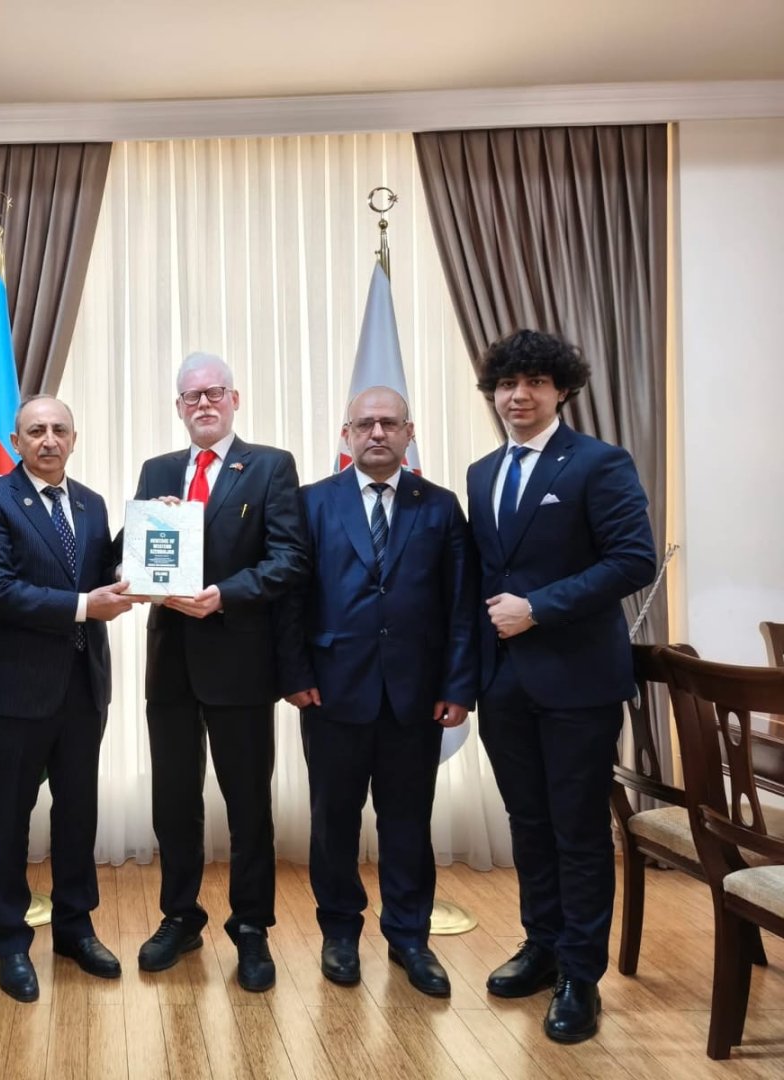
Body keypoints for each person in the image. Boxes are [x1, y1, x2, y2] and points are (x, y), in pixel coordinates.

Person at [466, 330, 655, 1043]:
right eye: (507, 384)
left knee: (578, 830)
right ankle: (542, 944)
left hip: (579, 682)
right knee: (528, 824)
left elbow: (633, 559)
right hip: (503, 684)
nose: (519, 396)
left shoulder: (599, 463)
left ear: (562, 390)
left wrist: (539, 607)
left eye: (535, 383)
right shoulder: (482, 472)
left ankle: (581, 974)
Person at [277, 386, 477, 998]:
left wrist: (457, 685)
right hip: (331, 692)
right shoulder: (312, 502)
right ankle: (339, 932)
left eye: (389, 423)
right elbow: (291, 599)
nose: (377, 433)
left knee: (408, 821)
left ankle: (410, 936)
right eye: (364, 424)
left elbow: (461, 605)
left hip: (416, 696)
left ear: (409, 433)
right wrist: (295, 675)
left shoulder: (439, 506)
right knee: (333, 820)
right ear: (347, 435)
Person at [128, 351, 307, 992]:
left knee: (248, 804)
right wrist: (145, 540)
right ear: (178, 407)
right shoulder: (157, 470)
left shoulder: (270, 466)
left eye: (214, 392)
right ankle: (180, 917)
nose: (203, 403)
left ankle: (251, 928)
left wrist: (224, 595)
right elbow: (134, 556)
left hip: (240, 663)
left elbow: (290, 559)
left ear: (235, 399)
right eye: (191, 396)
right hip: (170, 664)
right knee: (174, 800)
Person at [0, 395, 135, 1003]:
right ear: (16, 441)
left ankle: (74, 929)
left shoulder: (89, 503)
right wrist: (86, 606)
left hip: (83, 688)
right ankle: (10, 941)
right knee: (10, 819)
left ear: (74, 438)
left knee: (77, 814)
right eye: (36, 430)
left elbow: (105, 568)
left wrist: (150, 528)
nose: (49, 440)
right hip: (17, 691)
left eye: (59, 429)